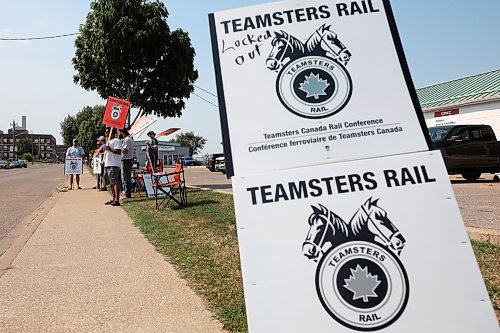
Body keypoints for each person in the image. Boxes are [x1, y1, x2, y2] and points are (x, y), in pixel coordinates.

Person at [103, 129, 122, 206]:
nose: (106, 134)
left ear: (112, 133)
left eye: (107, 132)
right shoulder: (108, 142)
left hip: (114, 164)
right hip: (108, 164)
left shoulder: (116, 141)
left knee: (115, 181)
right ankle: (113, 198)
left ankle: (117, 199)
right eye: (105, 132)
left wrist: (109, 149)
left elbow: (118, 152)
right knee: (111, 183)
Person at [120, 128, 135, 199]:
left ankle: (127, 193)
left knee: (126, 177)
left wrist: (120, 147)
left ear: (123, 133)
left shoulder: (127, 140)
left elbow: (125, 151)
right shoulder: (130, 139)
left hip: (126, 160)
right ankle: (127, 192)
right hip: (128, 159)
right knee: (127, 177)